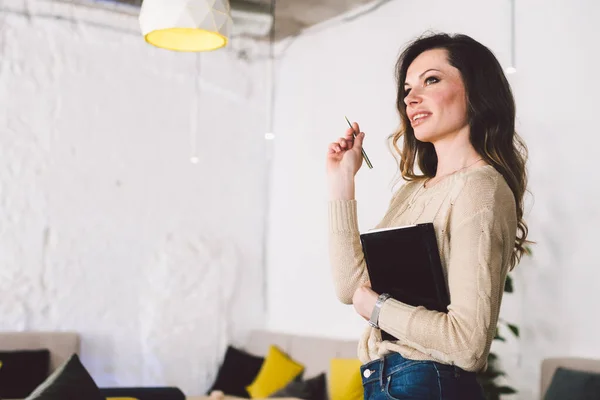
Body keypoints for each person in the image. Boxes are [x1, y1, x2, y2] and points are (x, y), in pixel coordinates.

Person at [325, 32, 530, 400]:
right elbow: (349, 288)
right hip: (385, 380)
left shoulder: (481, 188)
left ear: (476, 90)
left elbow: (468, 343)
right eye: (406, 90)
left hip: (426, 383)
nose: (410, 99)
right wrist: (342, 182)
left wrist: (379, 308)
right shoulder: (410, 191)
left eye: (431, 80)